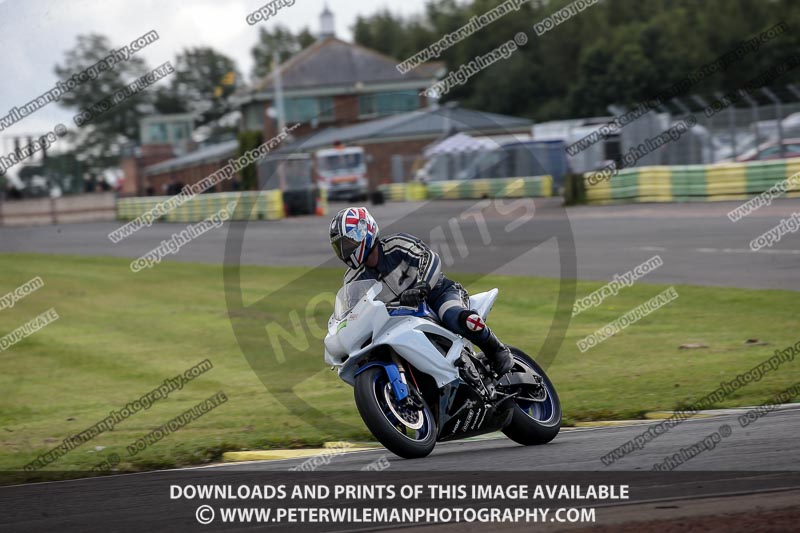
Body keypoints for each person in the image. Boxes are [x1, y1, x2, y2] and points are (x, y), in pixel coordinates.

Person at [329, 206, 513, 375]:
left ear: (364, 231)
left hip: (437, 295)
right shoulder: (352, 279)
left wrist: (422, 286)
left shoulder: (396, 244)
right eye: (340, 247)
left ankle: (497, 350)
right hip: (398, 320)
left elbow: (430, 258)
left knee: (454, 317)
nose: (345, 252)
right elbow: (353, 313)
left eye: (347, 244)